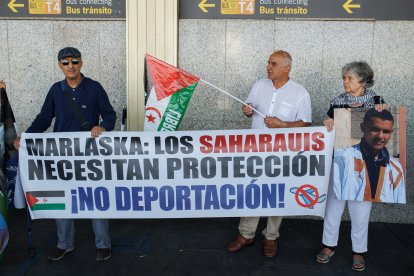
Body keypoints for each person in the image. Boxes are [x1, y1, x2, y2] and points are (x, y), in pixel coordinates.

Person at [13, 47, 116, 261]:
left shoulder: (95, 88)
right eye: (65, 62)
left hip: (91, 156)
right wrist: (27, 137)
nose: (71, 66)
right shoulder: (55, 90)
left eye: (74, 61)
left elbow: (109, 114)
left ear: (81, 63)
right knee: (62, 199)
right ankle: (65, 243)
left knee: (95, 198)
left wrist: (103, 126)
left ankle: (103, 244)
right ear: (60, 65)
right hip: (61, 157)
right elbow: (44, 118)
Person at [227, 50, 312, 258]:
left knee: (276, 194)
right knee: (252, 191)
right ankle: (246, 234)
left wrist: (282, 124)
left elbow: (306, 123)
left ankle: (271, 236)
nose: (268, 67)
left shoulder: (300, 93)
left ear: (287, 68)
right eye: (268, 63)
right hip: (255, 150)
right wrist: (247, 110)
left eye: (273, 64)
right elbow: (248, 108)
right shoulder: (259, 86)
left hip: (282, 154)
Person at [316, 61, 388, 271]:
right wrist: (327, 121)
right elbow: (329, 123)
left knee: (361, 210)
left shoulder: (378, 101)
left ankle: (358, 251)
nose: (345, 82)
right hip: (339, 162)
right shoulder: (337, 102)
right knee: (333, 207)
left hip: (366, 165)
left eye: (350, 78)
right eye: (344, 78)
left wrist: (382, 113)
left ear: (363, 79)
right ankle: (329, 245)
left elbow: (386, 128)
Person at [333, 109, 405, 203]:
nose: (380, 136)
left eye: (386, 131)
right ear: (363, 128)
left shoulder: (396, 168)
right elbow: (334, 200)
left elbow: (398, 205)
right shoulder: (342, 158)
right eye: (375, 129)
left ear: (391, 133)